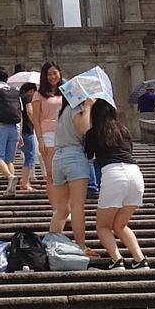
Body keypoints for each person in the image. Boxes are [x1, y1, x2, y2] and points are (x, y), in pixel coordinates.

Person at [86, 97, 147, 269]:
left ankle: (117, 259)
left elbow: (88, 155)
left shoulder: (94, 131)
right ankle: (140, 259)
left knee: (103, 227)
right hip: (135, 174)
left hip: (113, 174)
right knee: (120, 225)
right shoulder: (124, 129)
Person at [46, 82, 91, 245]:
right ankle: (81, 245)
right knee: (77, 206)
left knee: (62, 209)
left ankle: (51, 244)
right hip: (74, 156)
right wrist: (88, 107)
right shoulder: (76, 109)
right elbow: (84, 128)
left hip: (58, 157)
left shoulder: (61, 111)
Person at [30, 63, 67, 211]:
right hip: (48, 135)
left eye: (54, 73)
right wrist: (39, 139)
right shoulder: (38, 95)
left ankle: (65, 206)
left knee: (65, 174)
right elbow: (36, 119)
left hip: (65, 134)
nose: (52, 77)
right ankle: (56, 208)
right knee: (52, 175)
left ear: (60, 73)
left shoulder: (65, 92)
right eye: (49, 74)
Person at [0, 67, 26, 194]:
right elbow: (20, 113)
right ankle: (11, 188)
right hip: (15, 127)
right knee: (9, 160)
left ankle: (10, 177)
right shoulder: (15, 90)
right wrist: (20, 133)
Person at [19, 81, 43, 193]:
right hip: (27, 130)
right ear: (31, 91)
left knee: (28, 156)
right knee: (30, 156)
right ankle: (25, 183)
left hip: (20, 130)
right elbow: (29, 111)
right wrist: (37, 124)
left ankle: (25, 181)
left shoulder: (20, 97)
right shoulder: (28, 98)